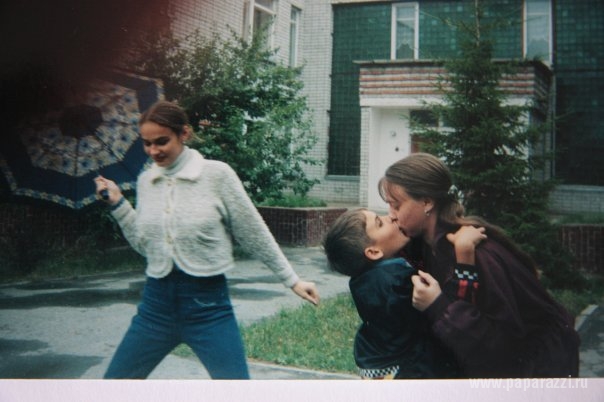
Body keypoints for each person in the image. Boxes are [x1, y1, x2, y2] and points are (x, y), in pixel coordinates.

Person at [93, 100, 319, 379]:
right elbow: (145, 245)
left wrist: (292, 279)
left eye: (162, 141)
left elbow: (253, 232)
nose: (153, 151)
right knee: (113, 386)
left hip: (209, 310)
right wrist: (118, 205)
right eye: (147, 143)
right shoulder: (146, 181)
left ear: (184, 134)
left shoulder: (217, 175)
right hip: (155, 309)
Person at [378, 152, 580, 378]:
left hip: (539, 371)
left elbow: (501, 348)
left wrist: (437, 305)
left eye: (396, 205)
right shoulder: (426, 246)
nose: (391, 215)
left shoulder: (479, 253)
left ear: (426, 202)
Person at [323, 207, 485, 379]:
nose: (391, 217)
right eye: (380, 223)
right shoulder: (397, 282)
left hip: (376, 364)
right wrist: (464, 253)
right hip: (411, 372)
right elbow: (451, 313)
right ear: (373, 252)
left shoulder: (364, 279)